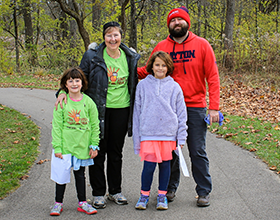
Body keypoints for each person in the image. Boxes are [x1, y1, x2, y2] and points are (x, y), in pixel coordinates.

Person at [138, 6, 220, 207]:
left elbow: (213, 76)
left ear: (187, 22)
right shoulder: (162, 46)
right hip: (167, 108)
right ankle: (169, 189)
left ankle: (203, 191)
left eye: (180, 20)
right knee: (170, 151)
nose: (176, 23)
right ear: (169, 25)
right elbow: (147, 70)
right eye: (173, 21)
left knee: (196, 150)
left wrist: (214, 107)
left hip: (195, 106)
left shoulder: (202, 45)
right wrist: (122, 67)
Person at [55, 22, 141, 209]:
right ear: (104, 38)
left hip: (122, 109)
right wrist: (62, 92)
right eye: (109, 35)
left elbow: (135, 82)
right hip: (98, 110)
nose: (112, 39)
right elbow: (78, 77)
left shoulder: (130, 57)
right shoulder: (92, 56)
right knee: (97, 151)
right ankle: (98, 193)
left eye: (116, 35)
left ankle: (115, 191)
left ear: (121, 37)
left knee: (116, 153)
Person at [133, 51, 187, 210]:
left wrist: (181, 138)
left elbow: (181, 115)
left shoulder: (174, 87)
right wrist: (138, 138)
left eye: (164, 65)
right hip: (148, 134)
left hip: (168, 135)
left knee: (165, 167)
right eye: (157, 64)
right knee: (148, 167)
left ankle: (162, 196)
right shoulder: (142, 85)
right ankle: (144, 196)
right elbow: (137, 112)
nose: (160, 68)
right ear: (151, 66)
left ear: (168, 67)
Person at [50, 67, 100, 216]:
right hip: (65, 147)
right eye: (70, 81)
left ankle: (82, 202)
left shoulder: (89, 102)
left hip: (82, 146)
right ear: (65, 84)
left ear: (82, 82)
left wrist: (94, 145)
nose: (74, 84)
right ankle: (58, 203)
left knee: (80, 175)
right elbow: (57, 126)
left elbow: (94, 125)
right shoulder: (62, 103)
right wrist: (57, 147)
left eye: (77, 80)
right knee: (61, 177)